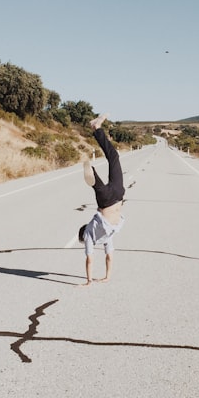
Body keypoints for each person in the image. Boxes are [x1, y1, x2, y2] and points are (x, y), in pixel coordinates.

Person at [78, 113, 125, 285]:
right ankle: (96, 128)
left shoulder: (91, 235)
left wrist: (89, 281)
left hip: (113, 199)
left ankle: (91, 170)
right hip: (115, 195)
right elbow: (109, 257)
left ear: (83, 235)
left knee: (99, 185)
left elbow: (91, 259)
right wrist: (107, 277)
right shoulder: (106, 236)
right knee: (114, 157)